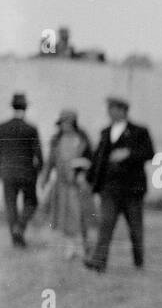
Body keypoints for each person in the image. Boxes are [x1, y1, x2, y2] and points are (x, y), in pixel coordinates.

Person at [84, 97, 155, 272]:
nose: (109, 112)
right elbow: (98, 159)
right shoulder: (105, 132)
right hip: (110, 189)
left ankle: (139, 262)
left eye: (113, 108)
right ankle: (99, 262)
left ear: (123, 110)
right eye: (109, 108)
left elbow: (150, 153)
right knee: (105, 225)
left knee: (135, 228)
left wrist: (128, 154)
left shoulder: (140, 131)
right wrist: (89, 179)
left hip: (132, 189)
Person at [41, 109, 95, 260]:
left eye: (68, 123)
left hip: (79, 185)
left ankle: (85, 245)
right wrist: (44, 178)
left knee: (81, 216)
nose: (65, 126)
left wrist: (82, 171)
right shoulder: (56, 141)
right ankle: (71, 248)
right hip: (62, 185)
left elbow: (91, 161)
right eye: (62, 123)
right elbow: (50, 162)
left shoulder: (82, 139)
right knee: (65, 217)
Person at [1, 92, 44, 249]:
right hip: (27, 173)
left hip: (7, 173)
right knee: (31, 202)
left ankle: (16, 237)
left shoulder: (2, 127)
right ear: (25, 108)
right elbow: (39, 156)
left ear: (12, 107)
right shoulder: (31, 129)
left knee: (11, 205)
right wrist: (37, 173)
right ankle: (20, 227)